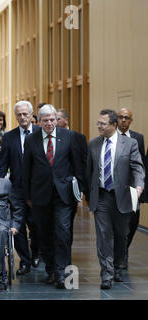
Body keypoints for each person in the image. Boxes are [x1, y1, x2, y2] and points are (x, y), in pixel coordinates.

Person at [22, 104, 85, 289]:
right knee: (44, 234)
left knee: (63, 232)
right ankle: (50, 269)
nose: (49, 123)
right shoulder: (32, 139)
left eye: (52, 120)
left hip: (64, 194)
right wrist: (27, 195)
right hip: (40, 194)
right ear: (39, 121)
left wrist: (80, 188)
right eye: (45, 120)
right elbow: (26, 169)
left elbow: (77, 165)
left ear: (56, 120)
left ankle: (62, 273)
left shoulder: (69, 136)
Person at [86, 109, 144, 290]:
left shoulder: (130, 143)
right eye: (98, 123)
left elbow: (137, 167)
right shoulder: (93, 144)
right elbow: (89, 171)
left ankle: (119, 267)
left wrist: (139, 185)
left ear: (113, 125)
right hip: (102, 196)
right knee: (104, 237)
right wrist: (88, 194)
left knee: (121, 235)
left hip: (122, 197)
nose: (99, 126)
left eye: (102, 124)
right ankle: (107, 274)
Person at [0, 101, 41, 276]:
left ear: (31, 115)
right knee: (18, 226)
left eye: (25, 114)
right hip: (17, 189)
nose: (22, 117)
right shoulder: (9, 137)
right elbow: (3, 164)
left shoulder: (40, 133)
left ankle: (37, 252)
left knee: (37, 225)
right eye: (19, 115)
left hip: (38, 189)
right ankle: (25, 260)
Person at [116, 107, 146, 268]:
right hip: (115, 188)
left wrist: (142, 187)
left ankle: (124, 250)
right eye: (120, 117)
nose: (123, 120)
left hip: (133, 188)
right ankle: (120, 254)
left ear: (131, 120)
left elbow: (141, 164)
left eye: (126, 118)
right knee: (118, 223)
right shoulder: (111, 137)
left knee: (133, 221)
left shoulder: (138, 138)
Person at [56, 108, 88, 249]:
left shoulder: (78, 137)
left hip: (71, 187)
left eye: (57, 119)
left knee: (66, 223)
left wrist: (81, 187)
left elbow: (83, 162)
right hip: (53, 186)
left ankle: (65, 250)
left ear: (66, 120)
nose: (54, 122)